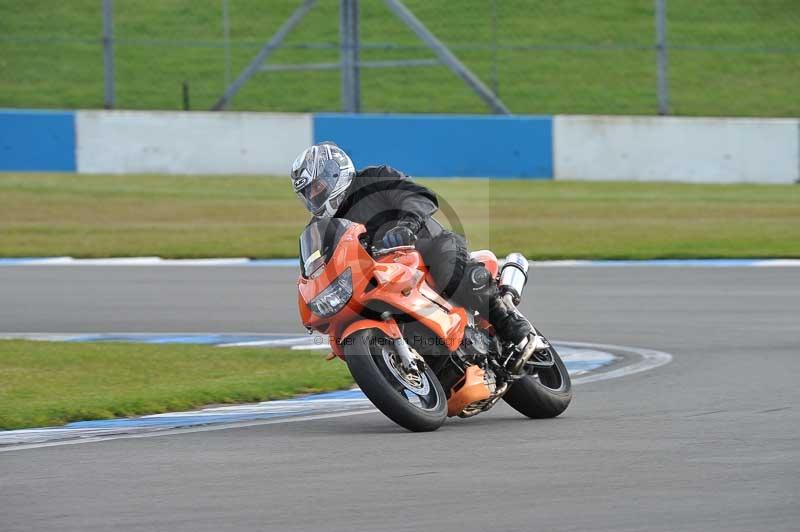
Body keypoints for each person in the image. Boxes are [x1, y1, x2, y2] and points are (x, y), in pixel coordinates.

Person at [290, 141, 534, 350]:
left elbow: (418, 196)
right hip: (381, 277)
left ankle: (507, 321)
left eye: (317, 188)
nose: (314, 197)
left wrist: (407, 224)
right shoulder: (323, 227)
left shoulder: (375, 178)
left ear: (334, 173)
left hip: (426, 246)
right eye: (308, 194)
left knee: (450, 269)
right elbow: (318, 267)